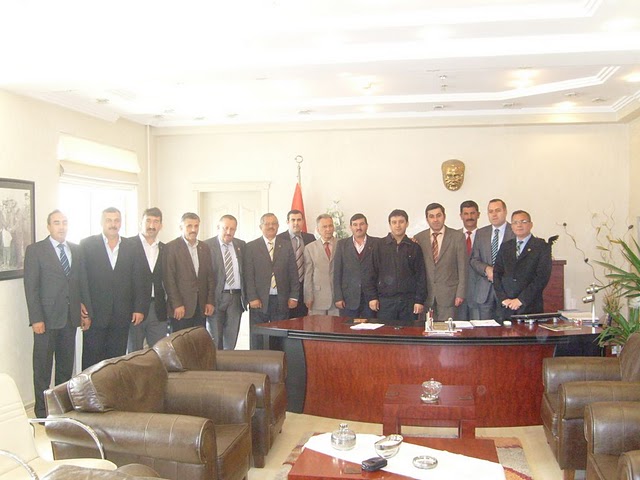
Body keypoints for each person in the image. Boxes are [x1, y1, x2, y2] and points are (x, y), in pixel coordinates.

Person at [23, 210, 92, 418]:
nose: (61, 226)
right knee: (42, 368)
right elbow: (31, 287)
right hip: (45, 319)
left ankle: (62, 409)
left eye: (64, 222)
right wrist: (36, 318)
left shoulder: (76, 249)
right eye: (56, 223)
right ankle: (42, 412)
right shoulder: (36, 250)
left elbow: (81, 283)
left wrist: (85, 312)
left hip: (69, 318)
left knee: (65, 367)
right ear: (49, 226)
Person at [80, 207, 145, 369]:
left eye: (116, 220)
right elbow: (82, 280)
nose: (113, 224)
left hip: (122, 315)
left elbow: (138, 279)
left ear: (121, 223)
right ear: (102, 222)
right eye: (109, 220)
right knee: (92, 361)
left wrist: (139, 308)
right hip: (95, 315)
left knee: (116, 362)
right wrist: (84, 309)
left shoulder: (132, 246)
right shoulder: (87, 245)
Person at [245, 213, 299, 349]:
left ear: (278, 226)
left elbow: (293, 273)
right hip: (259, 300)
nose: (271, 226)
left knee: (279, 336)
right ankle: (258, 361)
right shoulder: (251, 247)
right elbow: (248, 275)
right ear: (260, 226)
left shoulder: (286, 245)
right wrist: (252, 297)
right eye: (267, 224)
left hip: (281, 299)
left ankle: (278, 360)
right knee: (258, 337)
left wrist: (294, 296)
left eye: (274, 223)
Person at [364, 209, 426, 325]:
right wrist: (372, 297)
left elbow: (421, 276)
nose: (398, 225)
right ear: (390, 224)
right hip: (385, 302)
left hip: (408, 302)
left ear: (407, 223)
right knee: (385, 333)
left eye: (401, 222)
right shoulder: (379, 246)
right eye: (394, 222)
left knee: (408, 333)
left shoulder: (414, 247)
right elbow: (370, 273)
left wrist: (419, 300)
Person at [493, 210, 552, 322]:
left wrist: (521, 300)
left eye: (523, 221)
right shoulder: (505, 246)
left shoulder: (541, 247)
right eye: (515, 222)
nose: (519, 225)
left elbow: (542, 277)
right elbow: (497, 274)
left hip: (530, 306)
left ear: (531, 225)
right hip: (506, 307)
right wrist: (503, 298)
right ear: (511, 226)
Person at [163, 212, 215, 333]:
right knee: (181, 342)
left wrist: (210, 301)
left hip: (201, 307)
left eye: (196, 226)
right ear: (181, 227)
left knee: (198, 341)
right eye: (189, 226)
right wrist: (177, 304)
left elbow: (210, 277)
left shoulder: (204, 247)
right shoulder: (171, 248)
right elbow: (169, 279)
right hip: (181, 307)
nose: (193, 230)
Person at [415, 203, 467, 321]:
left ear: (444, 216)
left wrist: (460, 293)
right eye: (431, 216)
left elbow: (462, 268)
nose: (435, 219)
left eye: (438, 215)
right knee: (427, 330)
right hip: (426, 296)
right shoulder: (419, 238)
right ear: (427, 219)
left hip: (449, 295)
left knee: (447, 330)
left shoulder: (457, 237)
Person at [127, 207, 167, 352]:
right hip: (134, 310)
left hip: (158, 309)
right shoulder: (127, 245)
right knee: (134, 354)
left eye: (156, 221)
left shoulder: (165, 249)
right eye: (148, 221)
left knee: (160, 353)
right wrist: (134, 307)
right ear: (141, 223)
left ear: (161, 225)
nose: (151, 225)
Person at [204, 214, 246, 350]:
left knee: (231, 339)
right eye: (225, 228)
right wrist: (208, 300)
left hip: (236, 298)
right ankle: (215, 363)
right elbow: (204, 276)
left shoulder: (241, 245)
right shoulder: (206, 246)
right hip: (216, 298)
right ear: (218, 227)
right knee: (214, 339)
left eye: (232, 229)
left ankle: (229, 362)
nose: (229, 232)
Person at [469, 199, 515, 320]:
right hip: (485, 291)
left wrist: (498, 273)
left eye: (497, 210)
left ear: (505, 211)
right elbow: (474, 259)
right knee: (485, 329)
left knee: (507, 328)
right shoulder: (481, 233)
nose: (494, 214)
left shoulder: (515, 231)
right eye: (491, 211)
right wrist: (486, 269)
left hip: (507, 291)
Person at [333, 213, 378, 318]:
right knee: (348, 327)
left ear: (367, 225)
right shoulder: (342, 245)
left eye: (361, 224)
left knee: (371, 327)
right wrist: (338, 297)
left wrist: (376, 296)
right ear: (350, 227)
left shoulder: (377, 243)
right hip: (348, 298)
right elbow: (337, 272)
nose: (358, 227)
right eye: (355, 224)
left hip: (371, 298)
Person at [276, 210, 315, 319]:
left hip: (305, 287)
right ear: (287, 222)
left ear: (303, 221)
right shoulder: (279, 239)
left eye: (299, 220)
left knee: (302, 321)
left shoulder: (310, 238)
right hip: (286, 289)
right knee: (285, 322)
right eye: (293, 220)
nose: (296, 223)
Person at [303, 214, 338, 316]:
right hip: (317, 297)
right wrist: (308, 296)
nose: (328, 229)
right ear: (318, 230)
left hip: (338, 298)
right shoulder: (310, 248)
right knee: (317, 325)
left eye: (330, 226)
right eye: (324, 226)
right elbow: (308, 275)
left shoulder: (342, 245)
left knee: (338, 325)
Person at [457, 200, 480, 320]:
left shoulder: (486, 236)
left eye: (472, 213)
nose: (469, 217)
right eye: (466, 214)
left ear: (478, 214)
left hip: (479, 293)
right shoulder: (452, 236)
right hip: (456, 294)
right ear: (461, 216)